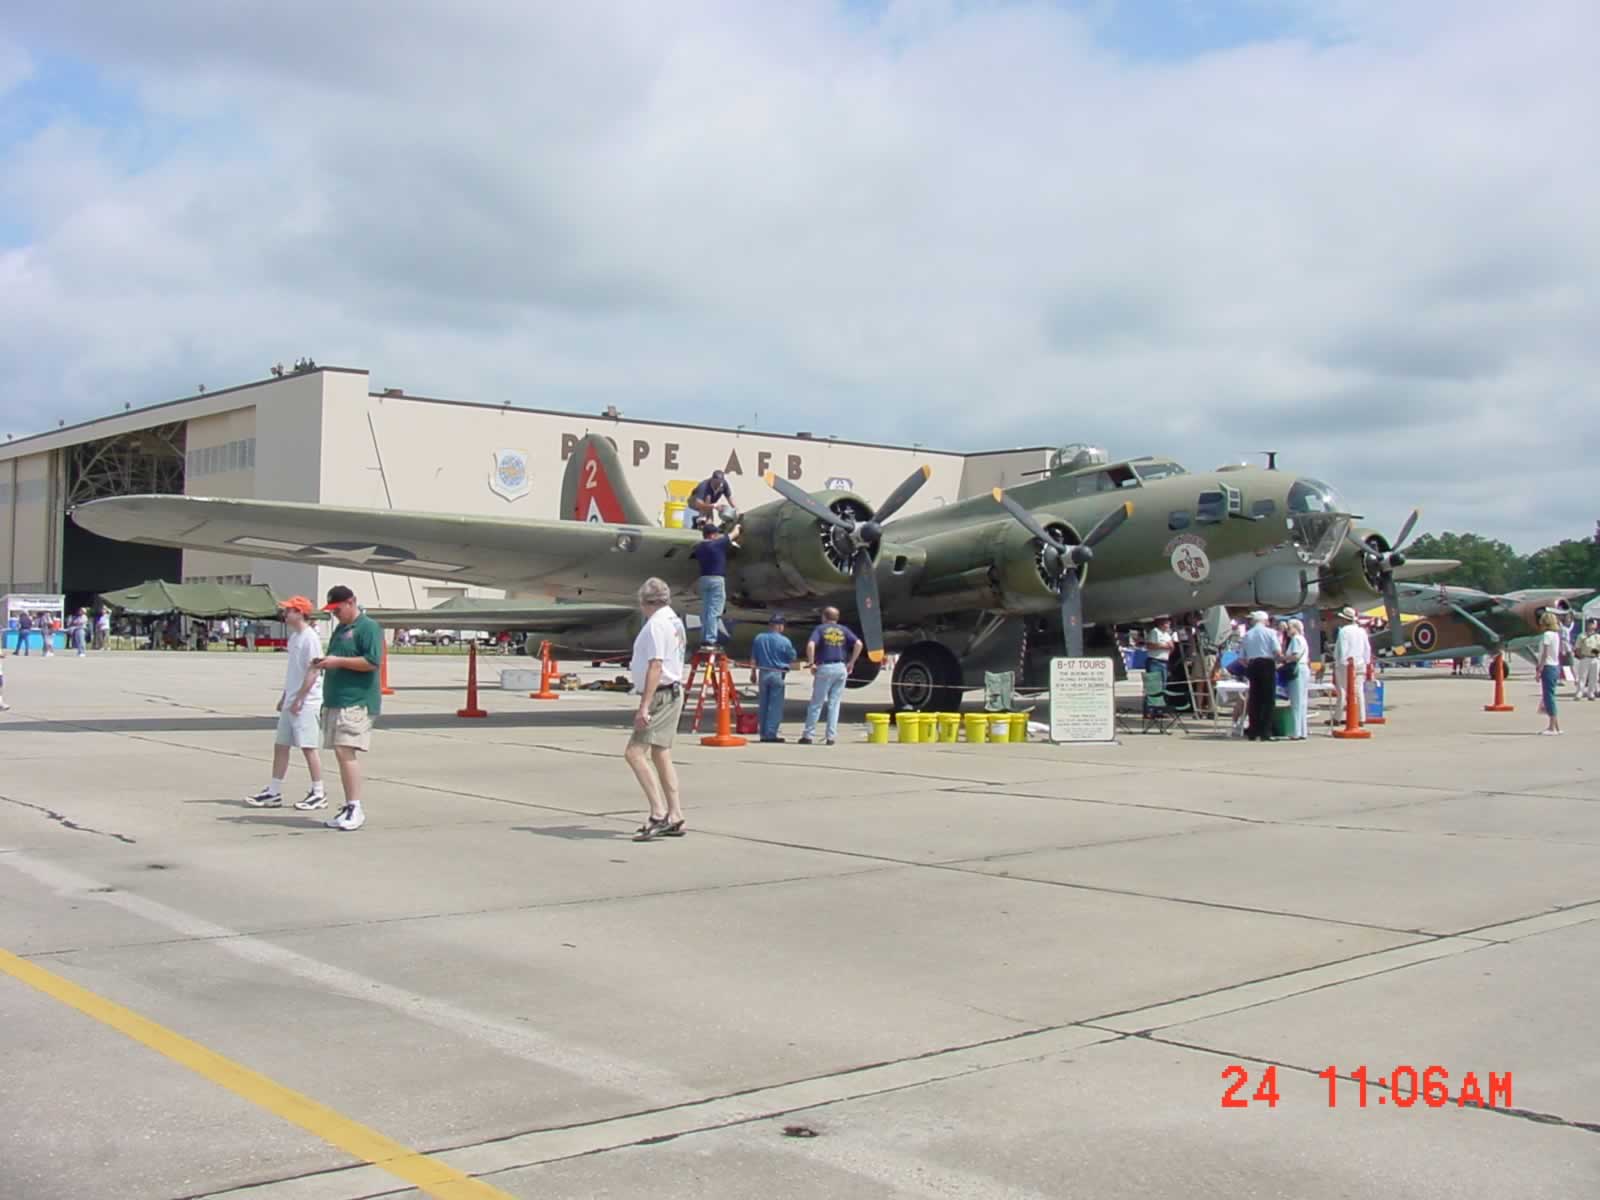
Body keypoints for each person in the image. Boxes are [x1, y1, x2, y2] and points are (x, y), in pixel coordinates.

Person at [311, 585, 383, 831]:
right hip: (336, 699)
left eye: (338, 609)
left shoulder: (368, 627)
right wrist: (326, 662)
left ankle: (355, 806)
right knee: (341, 753)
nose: (335, 614)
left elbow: (372, 661)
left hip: (356, 700)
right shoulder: (341, 629)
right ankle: (349, 805)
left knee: (345, 750)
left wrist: (338, 661)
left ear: (351, 602)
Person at [244, 597, 327, 809]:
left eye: (289, 610)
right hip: (291, 699)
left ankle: (318, 792)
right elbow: (293, 672)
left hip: (307, 702)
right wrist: (285, 697)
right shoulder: (295, 637)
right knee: (281, 745)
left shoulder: (310, 638)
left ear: (300, 613)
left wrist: (300, 698)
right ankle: (274, 791)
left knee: (308, 747)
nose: (285, 614)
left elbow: (314, 671)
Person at [626, 576, 688, 841]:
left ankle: (658, 813)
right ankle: (675, 814)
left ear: (645, 602)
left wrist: (644, 706)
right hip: (672, 691)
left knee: (634, 753)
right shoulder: (674, 620)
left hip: (661, 693)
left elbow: (655, 665)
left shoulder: (656, 625)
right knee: (661, 753)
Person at [800, 607, 861, 746]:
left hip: (825, 667)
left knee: (816, 703)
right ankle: (831, 737)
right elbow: (858, 643)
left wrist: (811, 663)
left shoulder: (820, 629)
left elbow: (811, 645)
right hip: (841, 667)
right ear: (837, 618)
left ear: (824, 617)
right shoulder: (844, 630)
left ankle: (808, 735)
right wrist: (852, 662)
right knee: (835, 704)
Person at [689, 523, 738, 651]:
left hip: (703, 579)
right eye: (716, 533)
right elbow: (734, 534)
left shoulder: (699, 547)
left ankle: (704, 638)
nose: (718, 535)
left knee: (706, 610)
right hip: (716, 580)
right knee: (715, 611)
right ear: (712, 535)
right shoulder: (717, 544)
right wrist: (738, 526)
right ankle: (710, 640)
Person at [749, 612, 797, 742]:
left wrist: (753, 673)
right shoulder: (785, 641)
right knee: (775, 706)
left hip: (763, 673)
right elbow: (792, 656)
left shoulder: (759, 638)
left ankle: (763, 734)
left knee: (763, 704)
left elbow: (753, 657)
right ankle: (771, 734)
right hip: (777, 673)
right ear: (780, 626)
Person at [1241, 611, 1279, 741]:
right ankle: (1265, 731)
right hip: (1267, 663)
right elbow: (1277, 651)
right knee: (1268, 699)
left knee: (1254, 698)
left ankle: (1253, 730)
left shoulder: (1247, 634)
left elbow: (1241, 657)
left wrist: (1249, 665)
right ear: (1265, 620)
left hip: (1253, 663)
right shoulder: (1271, 632)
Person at [1332, 606, 1371, 720]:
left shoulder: (1344, 631)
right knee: (1358, 690)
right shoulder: (1361, 631)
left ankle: (1338, 717)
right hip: (1360, 662)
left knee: (1342, 691)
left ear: (1345, 619)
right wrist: (1367, 661)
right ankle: (1361, 717)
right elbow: (1367, 648)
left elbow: (1342, 649)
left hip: (1346, 664)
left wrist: (1338, 662)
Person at [1280, 618, 1310, 740]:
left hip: (1297, 669)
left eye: (1289, 627)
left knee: (1296, 702)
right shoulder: (1302, 639)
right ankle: (1302, 731)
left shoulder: (1296, 639)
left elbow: (1295, 656)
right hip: (1303, 669)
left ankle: (1296, 731)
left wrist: (1282, 658)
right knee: (1302, 701)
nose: (1287, 629)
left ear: (1295, 628)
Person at [1536, 610, 1562, 735]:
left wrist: (1539, 669)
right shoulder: (1556, 635)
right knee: (1550, 695)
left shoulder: (1547, 635)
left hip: (1548, 666)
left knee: (1548, 697)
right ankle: (1556, 726)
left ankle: (1552, 727)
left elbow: (1544, 654)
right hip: (1555, 666)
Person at [1144, 616, 1174, 697]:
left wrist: (1163, 646)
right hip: (1154, 662)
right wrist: (1164, 646)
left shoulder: (1167, 634)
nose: (1169, 625)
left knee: (1163, 684)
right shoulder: (1154, 632)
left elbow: (1171, 646)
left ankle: (1161, 701)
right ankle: (1152, 702)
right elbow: (1150, 645)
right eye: (1167, 623)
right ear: (1161, 623)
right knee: (1154, 685)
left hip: (1164, 662)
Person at [1577, 619, 1600, 701]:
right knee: (1582, 676)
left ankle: (1591, 693)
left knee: (1594, 677)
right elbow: (1578, 647)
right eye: (1590, 624)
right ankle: (1580, 692)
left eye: (1594, 624)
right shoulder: (1582, 636)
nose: (1592, 626)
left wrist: (1595, 653)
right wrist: (1580, 655)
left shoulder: (1597, 637)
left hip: (1595, 658)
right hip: (1585, 658)